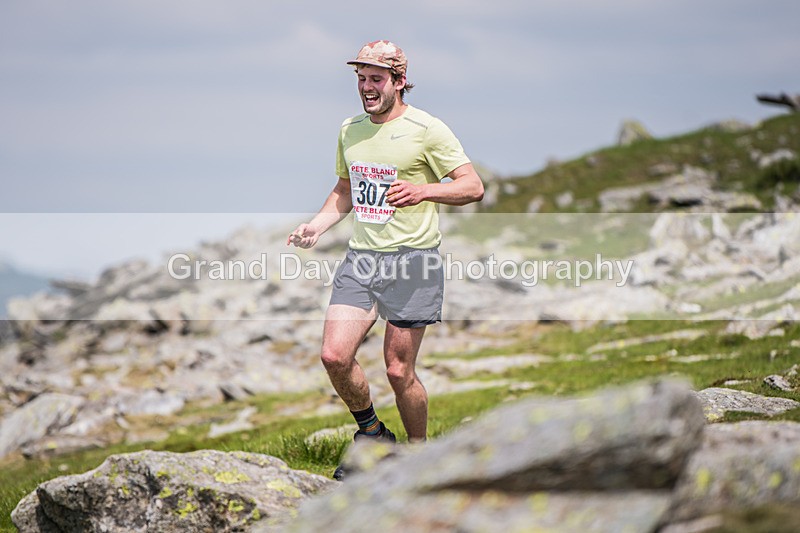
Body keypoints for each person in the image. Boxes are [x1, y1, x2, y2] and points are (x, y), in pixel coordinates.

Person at [287, 40, 484, 479]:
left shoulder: (427, 130)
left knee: (398, 371)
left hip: (414, 262)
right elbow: (345, 190)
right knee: (334, 356)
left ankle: (419, 457)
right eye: (360, 78)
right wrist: (316, 226)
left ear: (399, 81)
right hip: (362, 260)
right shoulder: (350, 129)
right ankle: (373, 433)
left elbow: (473, 187)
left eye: (376, 79)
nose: (366, 87)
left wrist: (424, 190)